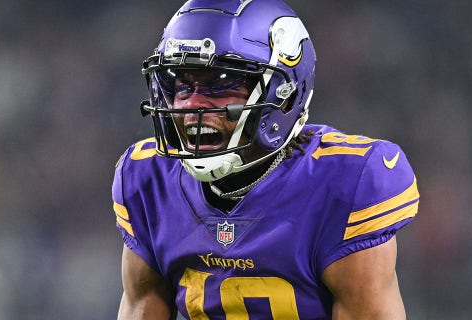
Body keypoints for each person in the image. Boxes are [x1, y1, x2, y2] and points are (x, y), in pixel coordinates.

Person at [112, 0, 419, 319]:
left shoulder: (347, 183)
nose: (193, 105)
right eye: (182, 85)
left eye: (220, 84)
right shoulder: (149, 180)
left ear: (281, 93)